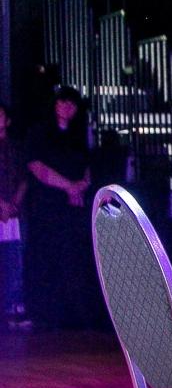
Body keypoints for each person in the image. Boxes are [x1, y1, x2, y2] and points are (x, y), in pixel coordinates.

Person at [24, 87, 97, 330]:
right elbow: (36, 167)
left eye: (73, 104)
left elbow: (87, 168)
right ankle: (45, 315)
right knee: (47, 258)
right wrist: (68, 186)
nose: (68, 108)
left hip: (73, 207)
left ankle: (75, 315)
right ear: (55, 104)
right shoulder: (39, 132)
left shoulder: (78, 136)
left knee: (74, 260)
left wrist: (80, 187)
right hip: (47, 206)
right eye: (64, 102)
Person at [0, 104, 28, 330]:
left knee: (12, 259)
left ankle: (11, 307)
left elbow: (24, 178)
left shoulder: (16, 148)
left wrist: (13, 204)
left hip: (13, 212)